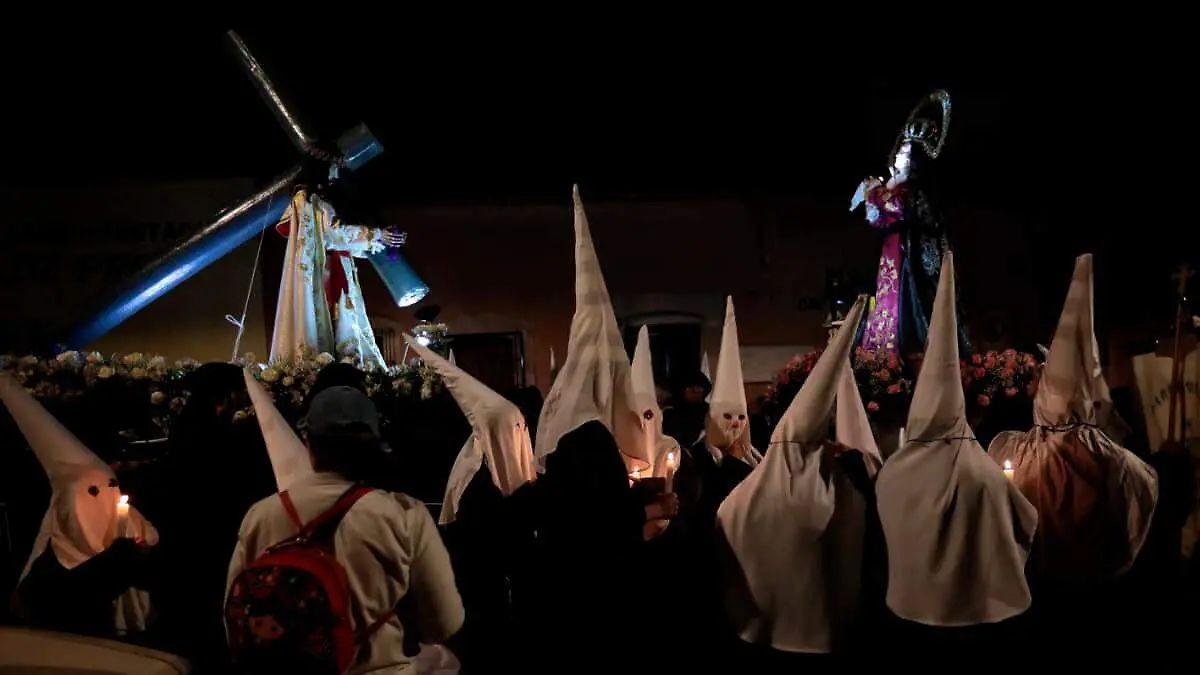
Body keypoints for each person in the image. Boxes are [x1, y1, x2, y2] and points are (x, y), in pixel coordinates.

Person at [227, 386, 466, 673]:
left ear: (309, 443)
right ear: (375, 446)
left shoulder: (260, 516)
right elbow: (444, 621)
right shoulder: (404, 515)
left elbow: (233, 617)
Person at [1, 372, 158, 640]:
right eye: (94, 492)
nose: (108, 499)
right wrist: (121, 558)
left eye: (112, 486)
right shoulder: (48, 575)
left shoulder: (128, 536)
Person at [851, 90, 971, 358]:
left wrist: (880, 196)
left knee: (912, 304)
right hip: (892, 252)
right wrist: (874, 197)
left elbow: (912, 216)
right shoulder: (894, 188)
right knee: (885, 298)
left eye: (906, 153)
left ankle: (912, 348)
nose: (899, 158)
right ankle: (882, 352)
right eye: (899, 152)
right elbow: (878, 220)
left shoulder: (915, 191)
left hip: (911, 256)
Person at [269, 182, 404, 368]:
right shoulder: (311, 200)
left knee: (345, 318)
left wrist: (378, 240)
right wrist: (376, 235)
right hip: (324, 271)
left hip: (336, 266)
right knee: (336, 318)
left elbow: (342, 241)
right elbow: (333, 234)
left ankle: (347, 363)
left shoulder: (317, 200)